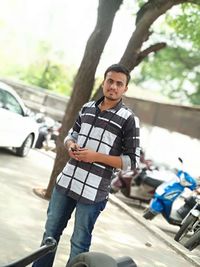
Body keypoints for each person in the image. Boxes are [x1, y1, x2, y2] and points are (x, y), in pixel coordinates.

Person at [32, 64, 140, 267]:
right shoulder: (87, 108)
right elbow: (71, 135)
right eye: (110, 81)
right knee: (50, 235)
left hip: (93, 193)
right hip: (66, 183)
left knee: (79, 244)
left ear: (125, 89)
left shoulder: (129, 119)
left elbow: (131, 161)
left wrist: (95, 156)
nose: (113, 86)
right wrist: (71, 144)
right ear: (103, 82)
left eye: (119, 83)